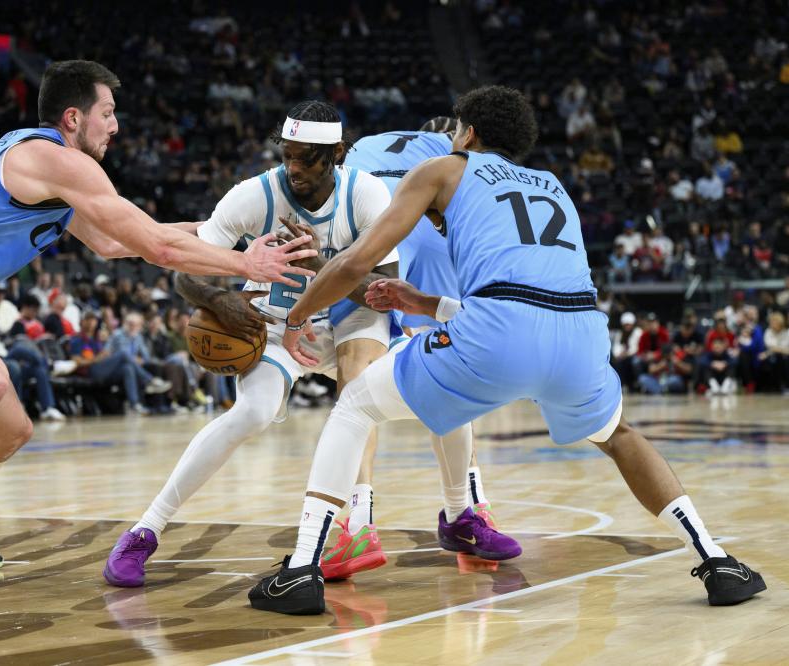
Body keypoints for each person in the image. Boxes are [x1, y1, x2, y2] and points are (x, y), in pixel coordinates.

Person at [0, 59, 316, 612]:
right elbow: (160, 249)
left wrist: (233, 237)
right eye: (108, 113)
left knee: (6, 427)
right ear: (74, 117)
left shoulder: (57, 179)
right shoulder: (50, 158)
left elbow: (116, 243)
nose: (116, 125)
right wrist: (250, 265)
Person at [246, 85, 765, 614]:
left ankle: (302, 570)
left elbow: (356, 263)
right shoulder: (554, 185)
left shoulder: (444, 169)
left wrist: (296, 314)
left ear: (466, 133)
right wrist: (424, 302)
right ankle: (717, 558)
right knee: (619, 436)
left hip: (498, 332)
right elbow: (534, 287)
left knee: (356, 405)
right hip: (581, 334)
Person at [103, 101, 399, 588]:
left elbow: (384, 292)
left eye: (307, 158)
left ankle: (374, 521)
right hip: (278, 325)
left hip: (350, 317)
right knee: (252, 413)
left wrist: (322, 263)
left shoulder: (365, 193)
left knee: (367, 388)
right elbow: (185, 272)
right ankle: (145, 530)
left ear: (337, 155)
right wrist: (220, 299)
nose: (294, 168)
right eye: (288, 155)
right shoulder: (253, 195)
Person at [334, 117, 521, 575]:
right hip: (425, 223)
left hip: (362, 216)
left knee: (358, 361)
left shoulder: (373, 142)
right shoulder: (459, 157)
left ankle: (357, 523)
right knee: (442, 362)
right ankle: (471, 511)